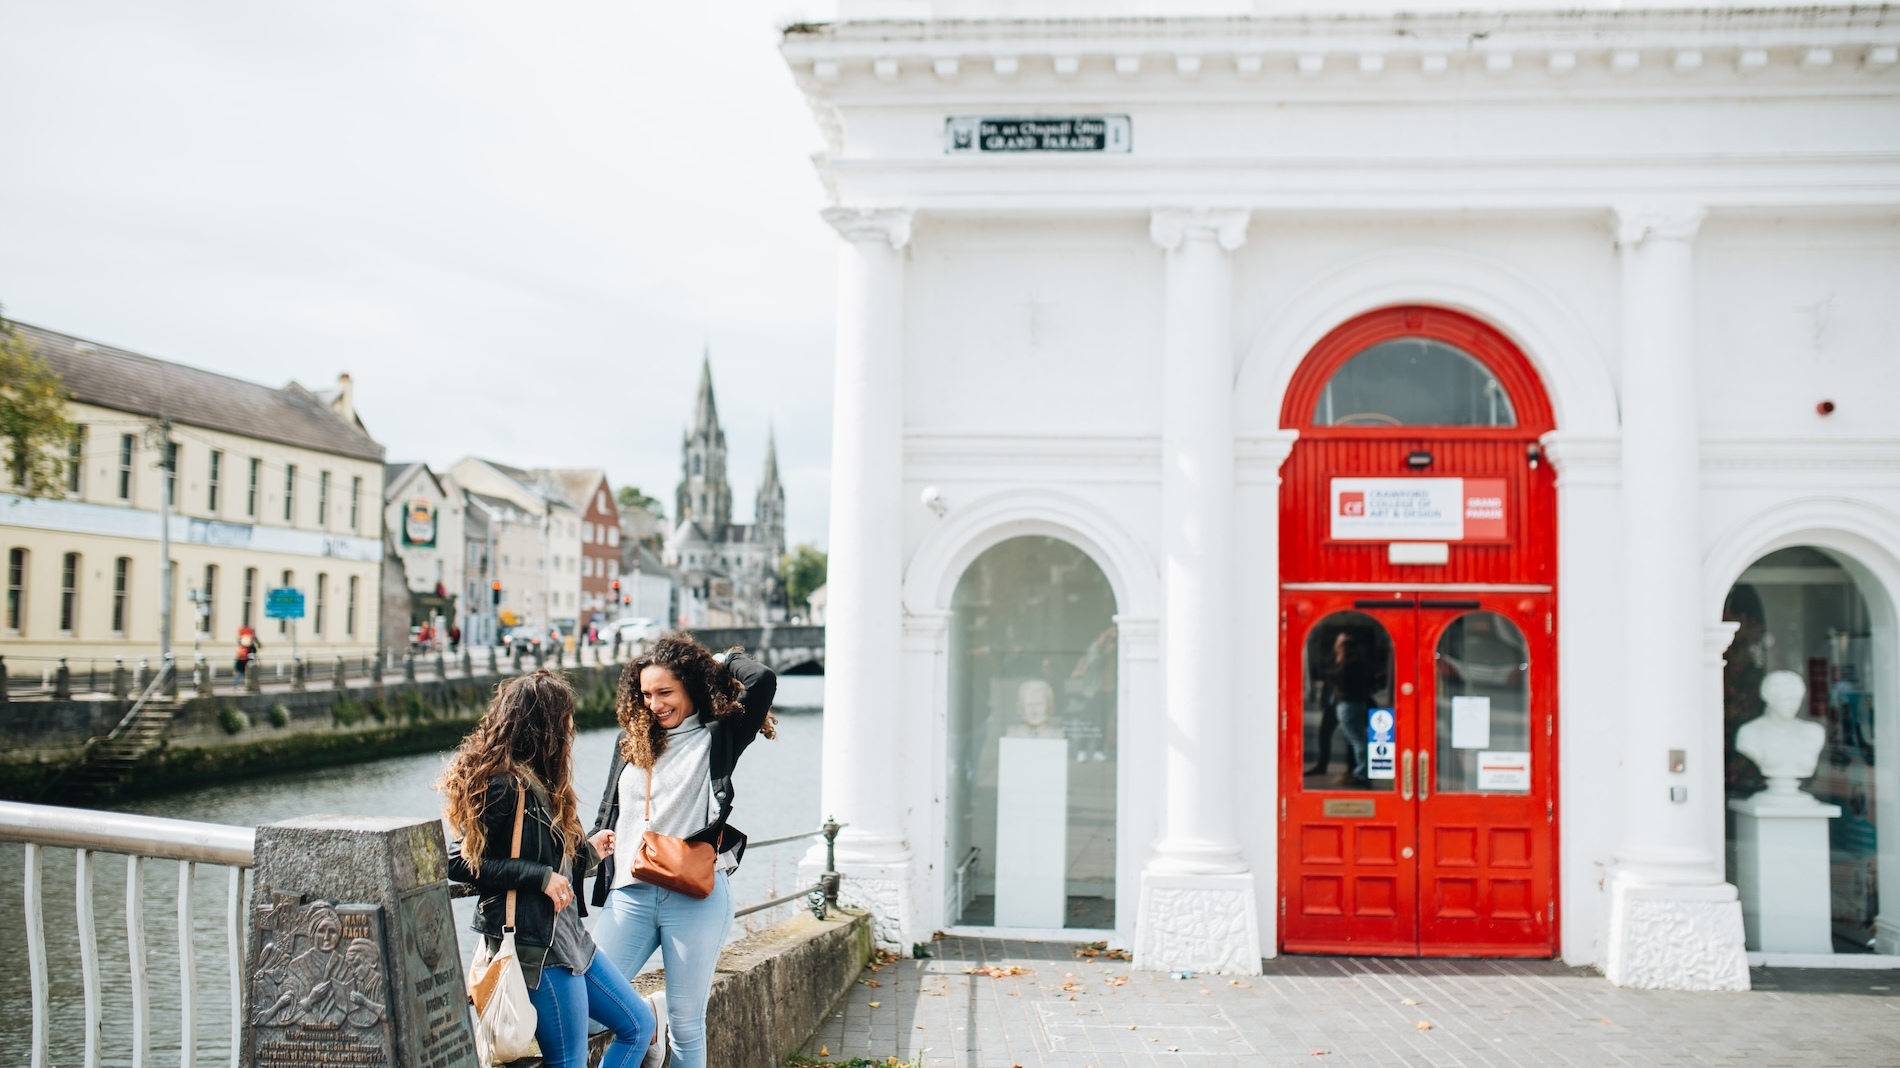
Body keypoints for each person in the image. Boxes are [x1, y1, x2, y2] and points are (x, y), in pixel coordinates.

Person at [439, 671, 658, 1068]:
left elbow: (544, 858)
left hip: (570, 938)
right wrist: (539, 877)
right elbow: (459, 861)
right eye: (566, 717)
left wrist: (587, 854)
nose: (572, 727)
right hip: (539, 949)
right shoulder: (503, 784)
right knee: (568, 1060)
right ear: (546, 725)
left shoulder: (538, 780)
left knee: (638, 1024)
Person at [590, 635, 778, 1068]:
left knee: (688, 1025)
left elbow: (762, 680)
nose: (654, 704)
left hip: (695, 898)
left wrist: (717, 661)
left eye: (665, 692)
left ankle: (661, 1021)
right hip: (630, 894)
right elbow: (609, 813)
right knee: (587, 1008)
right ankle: (645, 1019)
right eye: (646, 694)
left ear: (691, 688)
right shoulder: (630, 742)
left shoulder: (719, 736)